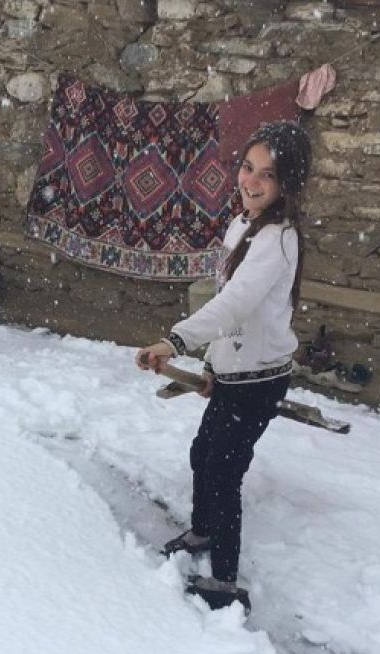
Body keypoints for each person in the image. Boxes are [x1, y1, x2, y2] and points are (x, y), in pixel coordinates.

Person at [135, 121, 312, 611]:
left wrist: (175, 341)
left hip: (261, 381)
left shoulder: (277, 241)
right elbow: (231, 311)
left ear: (287, 185)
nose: (250, 182)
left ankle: (225, 580)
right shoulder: (243, 225)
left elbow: (233, 306)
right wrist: (213, 365)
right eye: (247, 167)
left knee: (225, 471)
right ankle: (203, 531)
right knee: (202, 455)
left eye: (267, 176)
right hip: (234, 374)